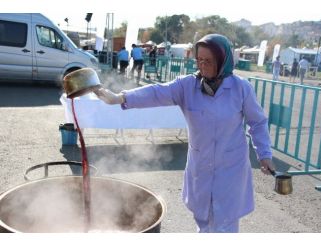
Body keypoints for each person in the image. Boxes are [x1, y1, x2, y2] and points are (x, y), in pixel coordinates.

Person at [94, 34, 274, 233]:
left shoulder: (241, 89)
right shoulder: (187, 86)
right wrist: (120, 98)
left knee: (226, 225)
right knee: (204, 222)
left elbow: (257, 122)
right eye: (199, 60)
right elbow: (156, 92)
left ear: (223, 62)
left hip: (230, 168)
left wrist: (264, 154)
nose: (202, 65)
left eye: (209, 61)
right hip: (201, 166)